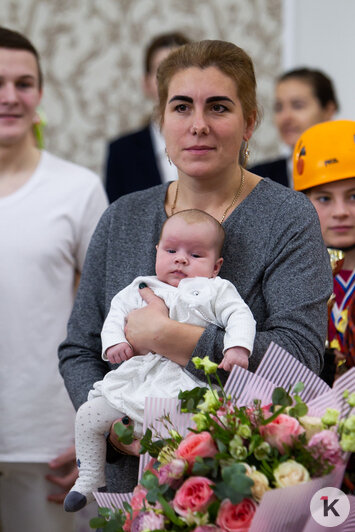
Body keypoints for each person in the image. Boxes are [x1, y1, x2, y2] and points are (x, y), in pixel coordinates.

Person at [59, 39, 333, 496]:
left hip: (245, 486)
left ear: (249, 123)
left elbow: (298, 358)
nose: (199, 125)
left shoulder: (289, 217)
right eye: (181, 107)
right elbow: (80, 348)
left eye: (219, 108)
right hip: (132, 487)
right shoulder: (123, 217)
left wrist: (165, 335)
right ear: (161, 121)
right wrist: (118, 429)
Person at [63, 208, 256, 511]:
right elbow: (115, 315)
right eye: (171, 250)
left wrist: (238, 348)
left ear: (216, 266)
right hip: (137, 380)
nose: (180, 259)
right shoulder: (141, 288)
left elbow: (240, 316)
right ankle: (89, 476)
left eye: (195, 255)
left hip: (183, 388)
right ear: (156, 251)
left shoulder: (215, 290)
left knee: (173, 449)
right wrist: (114, 342)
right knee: (88, 415)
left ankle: (156, 499)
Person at [0, 27, 108, 532]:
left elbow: (115, 318)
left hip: (51, 446)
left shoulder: (78, 189)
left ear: (40, 93)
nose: (10, 97)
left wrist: (97, 427)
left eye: (24, 83)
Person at [293, 119, 355, 382]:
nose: (341, 212)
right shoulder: (289, 281)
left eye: (354, 196)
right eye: (324, 198)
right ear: (300, 203)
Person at [105, 31, 190, 203]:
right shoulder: (122, 152)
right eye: (162, 70)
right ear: (146, 83)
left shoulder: (213, 141)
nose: (171, 79)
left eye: (181, 68)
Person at [249, 67, 338, 187]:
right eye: (279, 107)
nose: (286, 117)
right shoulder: (257, 179)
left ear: (328, 110)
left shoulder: (349, 170)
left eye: (297, 106)